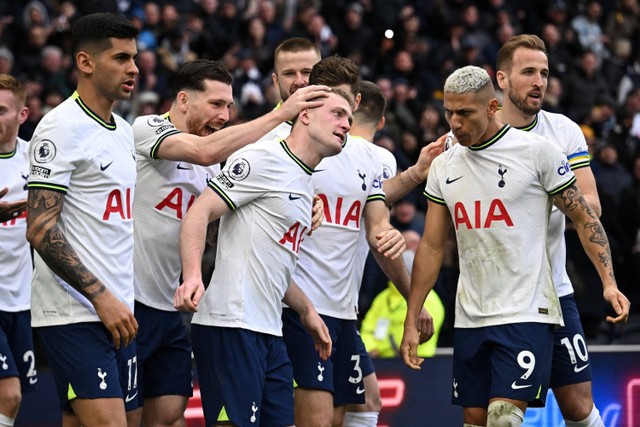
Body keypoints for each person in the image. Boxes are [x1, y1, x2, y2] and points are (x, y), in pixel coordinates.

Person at [400, 65, 630, 427]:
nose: (455, 122)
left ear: (492, 107)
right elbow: (430, 246)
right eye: (449, 112)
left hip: (526, 311)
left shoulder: (538, 153)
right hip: (471, 316)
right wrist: (412, 317)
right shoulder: (443, 165)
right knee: (476, 421)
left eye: (465, 113)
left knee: (507, 419)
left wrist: (609, 282)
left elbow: (585, 218)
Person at [130, 58, 331, 426]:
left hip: (172, 308)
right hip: (129, 300)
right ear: (184, 100)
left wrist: (303, 212)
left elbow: (244, 235)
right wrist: (278, 115)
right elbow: (203, 152)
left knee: (169, 416)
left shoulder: (216, 167)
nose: (224, 115)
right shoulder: (147, 128)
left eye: (229, 106)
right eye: (216, 104)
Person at [172, 89, 353, 426]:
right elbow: (199, 213)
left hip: (270, 331)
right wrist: (193, 275)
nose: (346, 125)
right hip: (231, 325)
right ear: (305, 114)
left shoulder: (305, 181)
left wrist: (306, 310)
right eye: (338, 114)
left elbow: (272, 266)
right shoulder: (261, 158)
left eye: (350, 120)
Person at [494, 33, 632, 427]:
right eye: (528, 72)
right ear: (502, 79)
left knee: (577, 404)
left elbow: (593, 205)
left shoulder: (563, 131)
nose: (539, 81)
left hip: (555, 290)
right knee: (500, 411)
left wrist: (543, 191)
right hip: (497, 297)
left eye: (544, 73)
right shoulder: (475, 134)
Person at [25, 13, 141, 426]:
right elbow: (39, 229)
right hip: (76, 313)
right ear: (86, 62)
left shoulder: (123, 131)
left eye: (135, 58)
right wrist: (100, 296)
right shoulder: (60, 128)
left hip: (120, 312)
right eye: (121, 58)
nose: (134, 69)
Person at [0, 74, 35, 427]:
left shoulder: (35, 160)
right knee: (8, 394)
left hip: (21, 300)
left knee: (14, 400)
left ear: (22, 115)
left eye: (0, 111)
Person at [360, 249, 445, 359]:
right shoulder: (382, 298)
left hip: (419, 362)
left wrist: (381, 349)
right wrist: (371, 347)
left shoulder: (429, 299)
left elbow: (422, 335)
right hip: (380, 362)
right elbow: (367, 328)